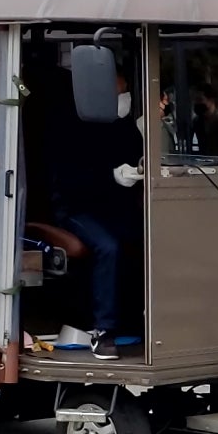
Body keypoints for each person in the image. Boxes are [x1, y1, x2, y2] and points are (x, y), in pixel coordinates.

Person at [48, 64, 145, 360]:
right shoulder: (69, 123)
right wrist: (111, 176)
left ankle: (138, 316)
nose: (125, 95)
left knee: (148, 238)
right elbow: (67, 178)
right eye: (120, 89)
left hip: (115, 205)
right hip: (75, 206)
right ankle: (104, 330)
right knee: (108, 246)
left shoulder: (124, 123)